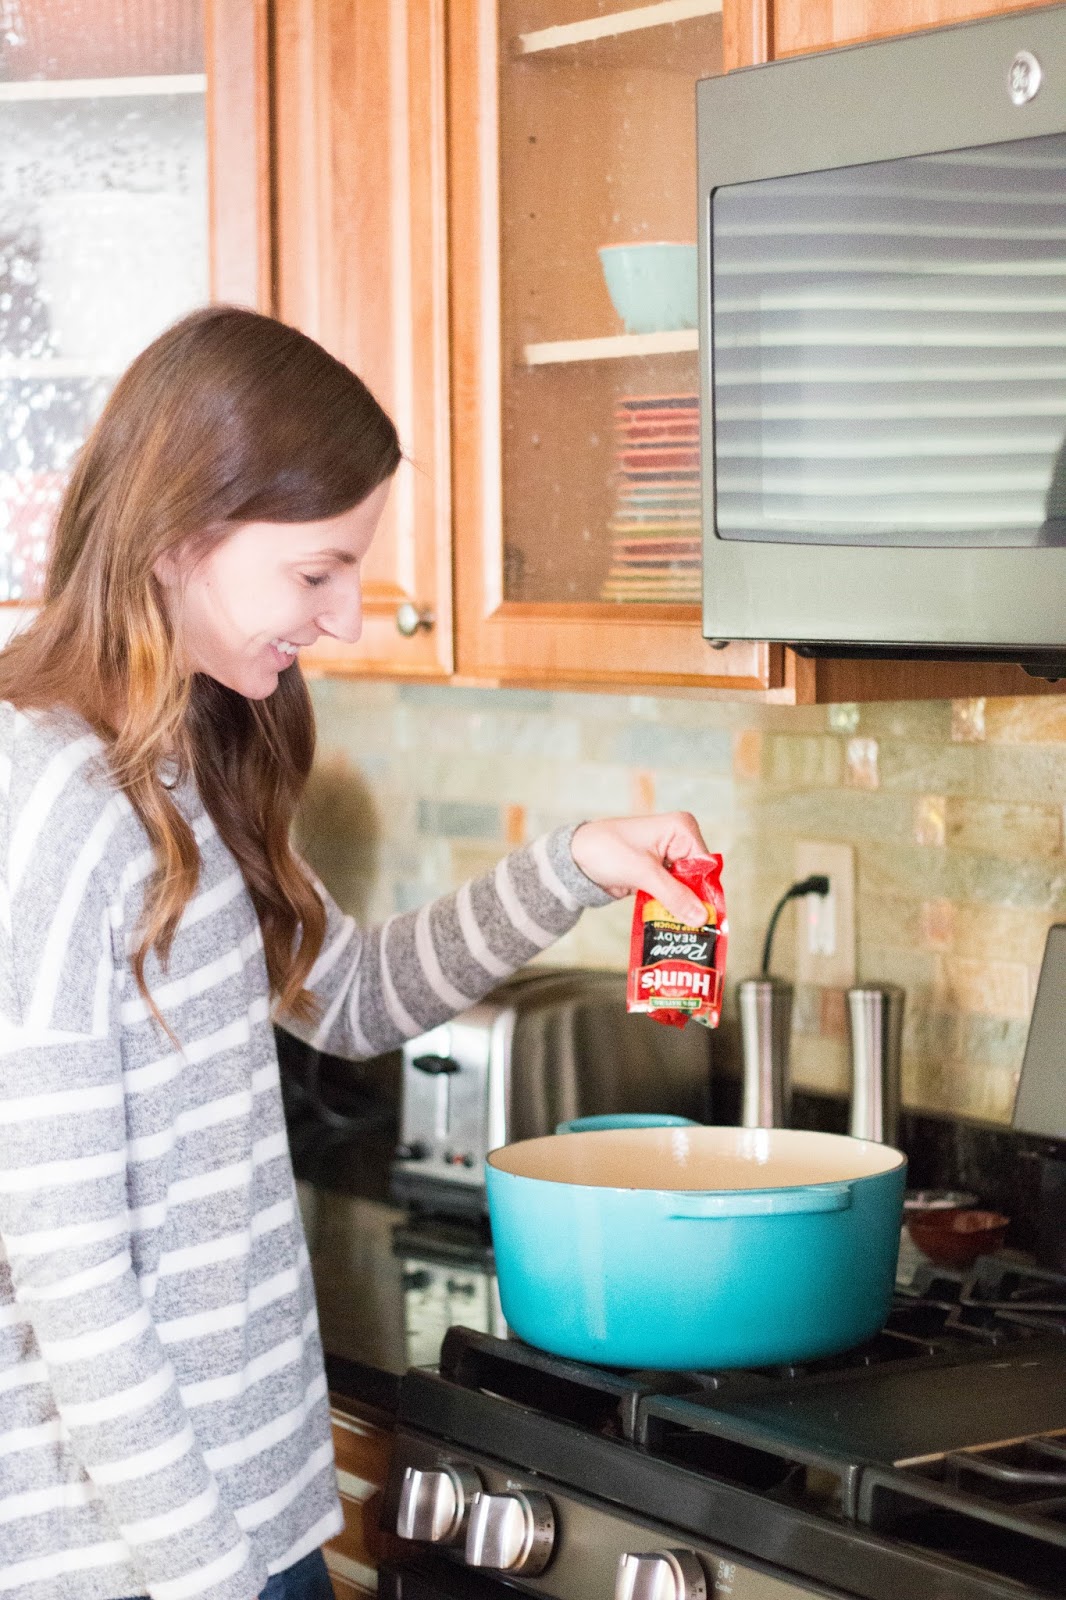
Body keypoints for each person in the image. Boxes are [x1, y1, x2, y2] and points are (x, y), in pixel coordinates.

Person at [0, 306, 712, 1600]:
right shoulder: (49, 802)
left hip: (255, 1507)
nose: (341, 622)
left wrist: (574, 867)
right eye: (316, 572)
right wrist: (207, 1573)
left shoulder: (190, 763)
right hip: (135, 1562)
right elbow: (65, 1265)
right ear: (179, 541)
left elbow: (353, 997)